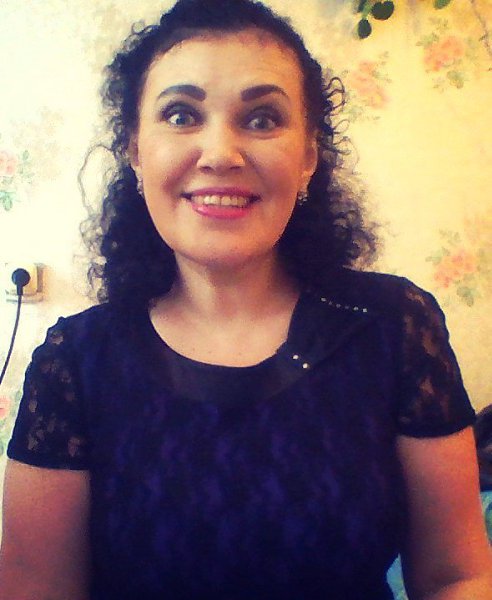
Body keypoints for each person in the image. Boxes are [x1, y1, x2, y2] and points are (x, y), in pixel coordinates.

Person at [0, 0, 491, 598]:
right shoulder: (73, 361)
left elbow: (459, 575)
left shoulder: (395, 326)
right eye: (181, 115)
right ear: (135, 151)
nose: (220, 153)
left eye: (261, 119)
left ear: (308, 158)